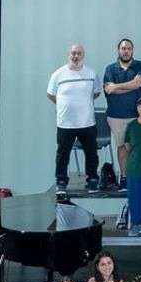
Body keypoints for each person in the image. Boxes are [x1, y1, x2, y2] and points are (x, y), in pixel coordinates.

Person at [47, 43, 100, 190]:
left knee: (91, 154)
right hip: (65, 123)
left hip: (87, 122)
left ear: (83, 55)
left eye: (79, 53)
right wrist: (65, 105)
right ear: (69, 55)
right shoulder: (58, 74)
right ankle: (61, 180)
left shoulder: (92, 74)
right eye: (73, 53)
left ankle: (92, 178)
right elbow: (50, 94)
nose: (76, 56)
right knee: (62, 154)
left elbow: (96, 93)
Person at [101, 38, 141, 175]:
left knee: (137, 147)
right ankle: (124, 177)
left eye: (128, 48)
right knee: (122, 147)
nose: (126, 51)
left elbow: (139, 83)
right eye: (123, 48)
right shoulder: (110, 69)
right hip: (116, 116)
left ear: (132, 50)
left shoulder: (140, 66)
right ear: (118, 50)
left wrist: (116, 86)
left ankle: (137, 176)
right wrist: (131, 85)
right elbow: (109, 90)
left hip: (137, 115)